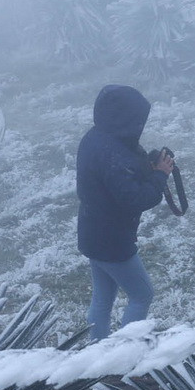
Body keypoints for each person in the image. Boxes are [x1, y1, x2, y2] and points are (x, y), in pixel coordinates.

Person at [76, 85, 173, 341]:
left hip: (92, 233)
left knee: (102, 299)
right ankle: (123, 354)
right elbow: (135, 198)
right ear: (125, 119)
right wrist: (160, 175)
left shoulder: (98, 137)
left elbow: (120, 176)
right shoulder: (112, 153)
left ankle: (98, 355)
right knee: (142, 295)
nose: (140, 125)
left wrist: (148, 167)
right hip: (113, 241)